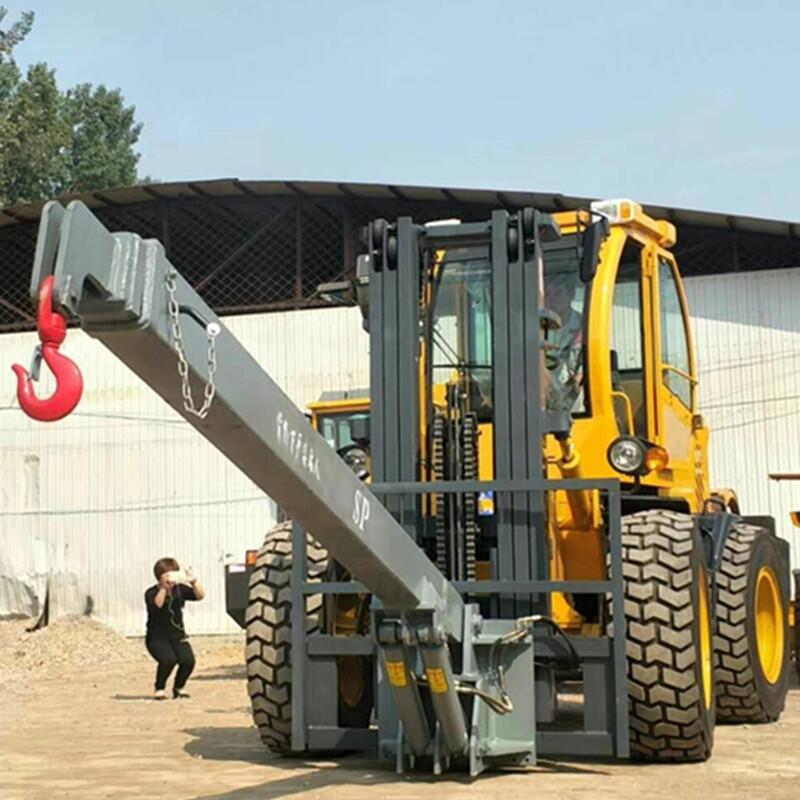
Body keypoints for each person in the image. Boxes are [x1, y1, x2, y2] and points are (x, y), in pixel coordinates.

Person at [144, 557, 205, 700]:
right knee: (168, 660)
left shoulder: (180, 590)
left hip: (177, 635)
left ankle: (179, 687)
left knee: (188, 661)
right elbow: (157, 605)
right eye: (167, 574)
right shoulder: (151, 592)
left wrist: (193, 581)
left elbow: (200, 596)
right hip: (157, 638)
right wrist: (164, 588)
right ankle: (159, 688)